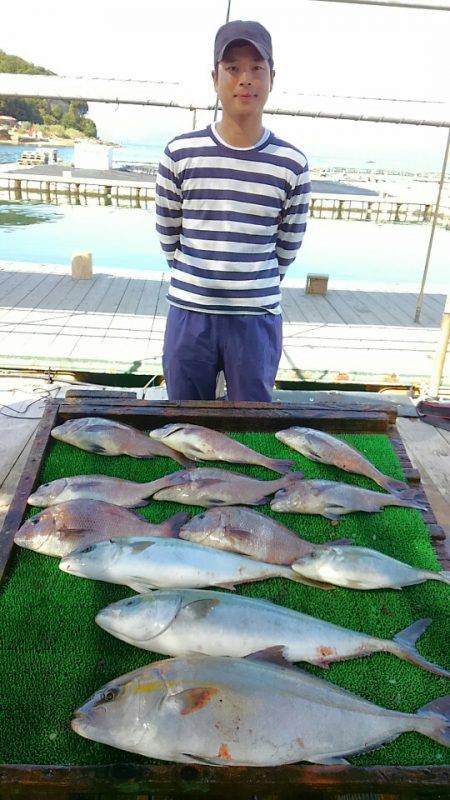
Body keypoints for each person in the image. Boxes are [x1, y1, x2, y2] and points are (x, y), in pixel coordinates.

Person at [156, 19, 311, 402]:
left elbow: (288, 247)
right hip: (190, 314)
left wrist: (250, 283)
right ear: (215, 77)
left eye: (257, 68)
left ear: (272, 78)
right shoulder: (179, 153)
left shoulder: (291, 163)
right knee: (184, 422)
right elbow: (168, 235)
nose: (246, 79)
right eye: (233, 68)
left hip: (256, 318)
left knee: (252, 425)